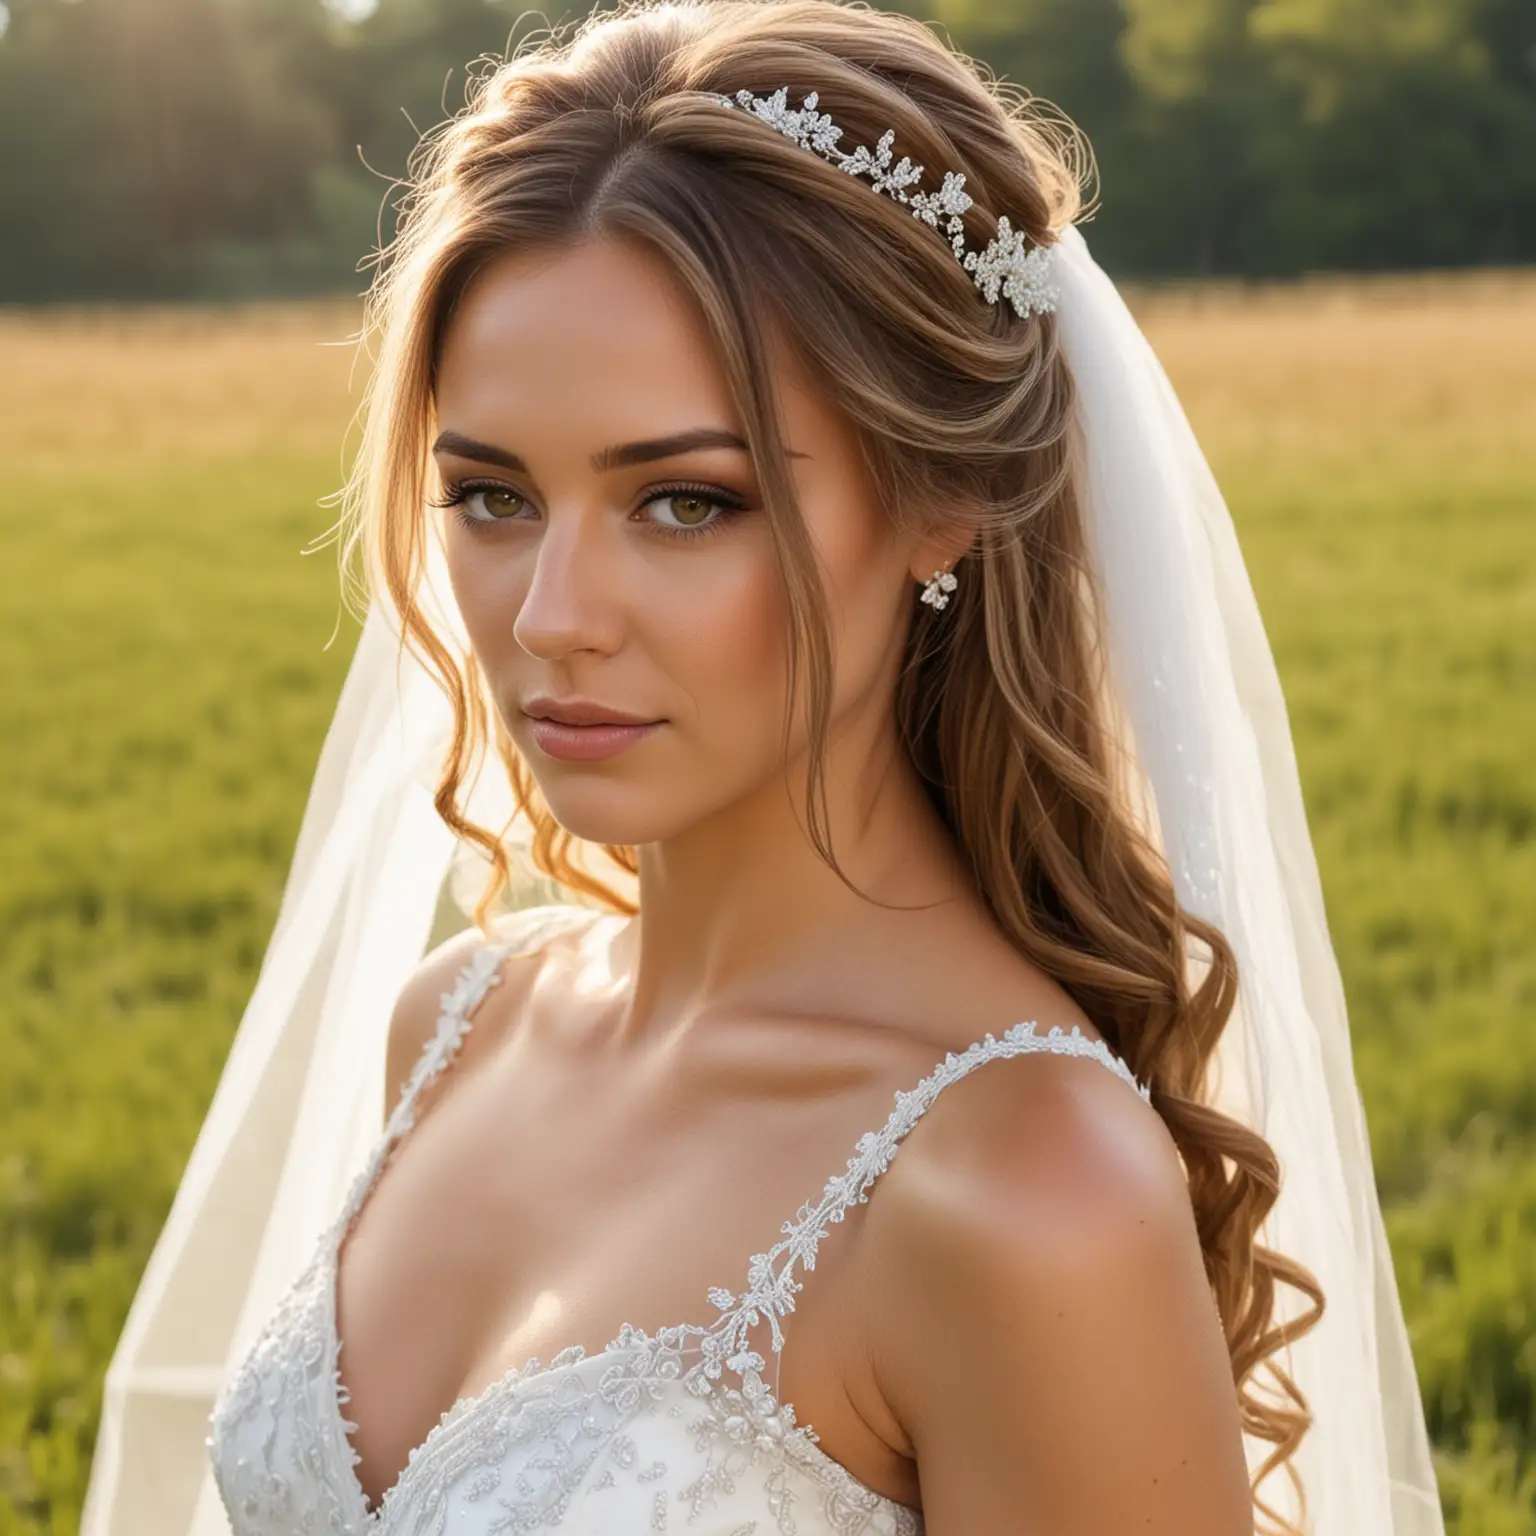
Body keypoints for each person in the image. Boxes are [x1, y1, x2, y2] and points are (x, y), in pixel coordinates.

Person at [80, 2, 1445, 1534]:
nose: (550, 619)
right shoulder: (459, 1027)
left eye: (685, 504)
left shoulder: (1019, 1191)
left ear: (944, 502)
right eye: (491, 495)